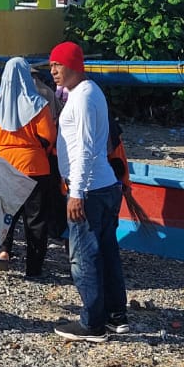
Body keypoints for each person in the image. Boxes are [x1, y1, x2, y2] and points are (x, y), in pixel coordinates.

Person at [47, 41, 128, 341]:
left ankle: (91, 323)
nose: (53, 71)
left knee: (84, 257)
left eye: (58, 64)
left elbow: (83, 150)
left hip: (89, 189)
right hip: (105, 184)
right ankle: (115, 315)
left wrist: (76, 192)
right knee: (107, 251)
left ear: (73, 66)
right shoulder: (91, 91)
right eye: (51, 65)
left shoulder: (81, 99)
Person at [0, 57, 61, 277]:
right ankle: (34, 267)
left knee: (5, 213)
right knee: (36, 220)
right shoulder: (38, 105)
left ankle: (3, 253)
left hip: (2, 166)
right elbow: (48, 136)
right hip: (34, 167)